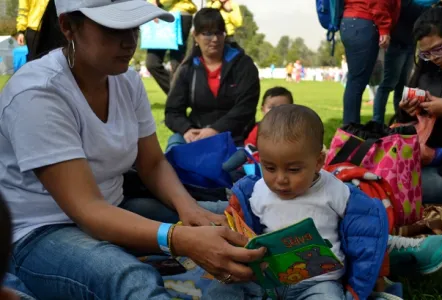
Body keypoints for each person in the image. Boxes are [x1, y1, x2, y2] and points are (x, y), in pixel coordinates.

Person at [0, 1, 266, 299]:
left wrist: (188, 208)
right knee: (130, 279)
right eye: (112, 29)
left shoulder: (126, 80)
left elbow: (151, 162)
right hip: (40, 231)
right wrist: (178, 238)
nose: (129, 41)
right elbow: (87, 209)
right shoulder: (38, 94)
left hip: (114, 208)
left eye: (133, 27)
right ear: (67, 26)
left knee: (228, 216)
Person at [204, 104, 391, 299]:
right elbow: (242, 226)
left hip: (318, 283)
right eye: (269, 168)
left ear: (318, 162)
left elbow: (367, 229)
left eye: (293, 170)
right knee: (222, 290)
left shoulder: (335, 190)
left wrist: (375, 275)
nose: (281, 179)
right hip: (267, 278)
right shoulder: (258, 190)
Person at [165, 8, 260, 148]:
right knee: (174, 148)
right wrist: (187, 130)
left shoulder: (244, 65)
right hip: (197, 136)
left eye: (219, 33)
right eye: (207, 33)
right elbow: (172, 112)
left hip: (237, 137)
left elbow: (246, 107)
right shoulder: (187, 68)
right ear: (195, 36)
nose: (215, 39)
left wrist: (216, 130)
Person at [398, 6, 442, 204]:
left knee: (404, 187)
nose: (434, 58)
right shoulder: (427, 70)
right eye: (426, 53)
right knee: (387, 176)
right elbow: (410, 123)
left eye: (438, 49)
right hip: (429, 158)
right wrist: (408, 111)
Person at [341, 0, 401, 125]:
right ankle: (350, 130)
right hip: (364, 21)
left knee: (355, 82)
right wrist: (384, 27)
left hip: (351, 22)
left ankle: (350, 129)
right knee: (356, 83)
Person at [372, 0, 429, 124]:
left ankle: (400, 120)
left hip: (409, 43)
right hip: (397, 43)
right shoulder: (407, 3)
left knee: (402, 87)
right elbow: (411, 9)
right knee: (387, 84)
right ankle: (377, 122)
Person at [146, 0, 197, 95]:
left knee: (176, 64)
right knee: (152, 63)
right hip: (159, 14)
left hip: (180, 14)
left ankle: (176, 103)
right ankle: (177, 97)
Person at [245, 87, 294, 162]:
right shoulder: (259, 129)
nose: (277, 111)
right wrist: (257, 160)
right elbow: (249, 146)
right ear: (263, 109)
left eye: (283, 107)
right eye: (272, 107)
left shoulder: (294, 129)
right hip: (262, 165)